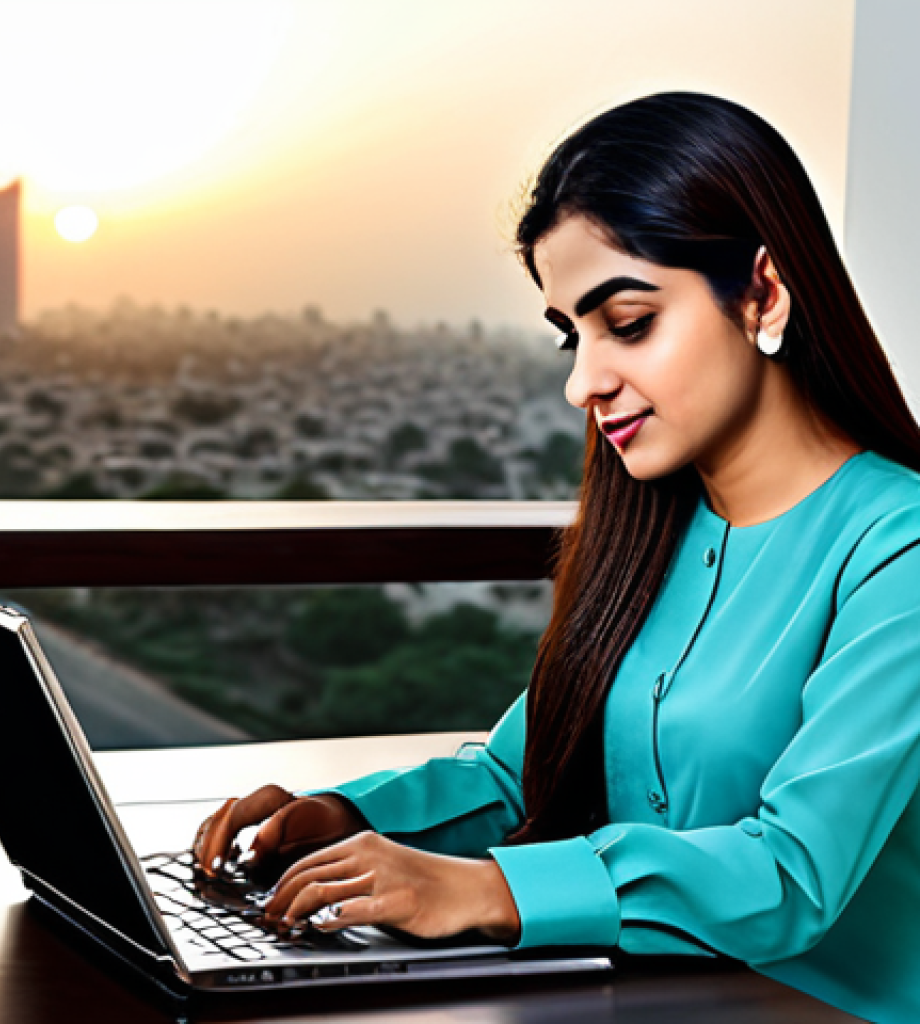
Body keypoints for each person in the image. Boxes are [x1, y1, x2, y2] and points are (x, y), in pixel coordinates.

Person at [194, 92, 920, 1023]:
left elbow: (792, 873)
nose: (584, 381)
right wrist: (350, 818)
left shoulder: (898, 548)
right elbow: (523, 777)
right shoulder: (653, 531)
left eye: (627, 321)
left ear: (763, 293)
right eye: (570, 335)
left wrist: (485, 892)